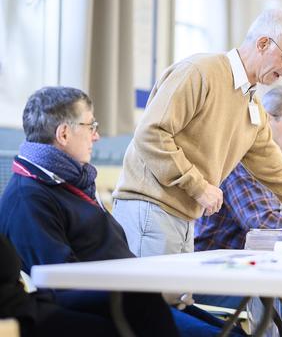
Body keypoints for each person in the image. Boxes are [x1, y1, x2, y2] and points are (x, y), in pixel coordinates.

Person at [111, 7, 282, 258]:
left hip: (184, 217)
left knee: (176, 298)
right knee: (152, 298)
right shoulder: (200, 72)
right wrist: (197, 186)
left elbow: (280, 174)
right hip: (150, 207)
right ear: (263, 43)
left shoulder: (251, 104)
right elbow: (151, 134)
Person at [0, 86, 245, 337]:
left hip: (134, 300)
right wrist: (137, 287)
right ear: (63, 134)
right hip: (116, 309)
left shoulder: (70, 180)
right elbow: (59, 283)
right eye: (90, 126)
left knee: (235, 333)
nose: (96, 136)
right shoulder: (29, 197)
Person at [194, 86, 282, 251]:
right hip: (212, 266)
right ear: (267, 119)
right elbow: (264, 222)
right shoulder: (241, 160)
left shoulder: (275, 166)